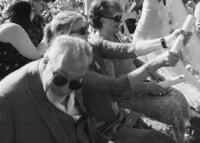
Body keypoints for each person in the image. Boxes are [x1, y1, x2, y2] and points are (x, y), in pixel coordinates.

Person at [41, 11, 188, 143]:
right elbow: (115, 87)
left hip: (116, 117)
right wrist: (155, 64)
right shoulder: (68, 67)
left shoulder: (91, 45)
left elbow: (129, 49)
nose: (87, 33)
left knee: (163, 138)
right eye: (81, 31)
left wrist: (166, 41)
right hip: (99, 131)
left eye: (86, 28)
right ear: (64, 36)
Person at [88, 0, 190, 143]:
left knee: (177, 95)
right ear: (103, 20)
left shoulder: (116, 34)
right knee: (171, 105)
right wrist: (148, 86)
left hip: (139, 84)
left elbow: (131, 56)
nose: (120, 21)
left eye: (121, 16)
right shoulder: (99, 46)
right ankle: (173, 137)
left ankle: (179, 135)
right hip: (127, 95)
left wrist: (154, 73)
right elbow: (116, 89)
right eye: (117, 18)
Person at [125, 0, 200, 112]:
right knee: (155, 46)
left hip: (149, 17)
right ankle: (148, 72)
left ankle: (141, 74)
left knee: (140, 44)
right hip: (156, 17)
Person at [0, 34, 110, 143]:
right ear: (46, 62)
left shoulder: (71, 72)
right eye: (59, 79)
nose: (65, 89)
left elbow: (85, 130)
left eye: (74, 84)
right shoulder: (6, 99)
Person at [0, 0, 41, 79]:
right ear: (26, 12)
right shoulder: (14, 28)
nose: (33, 14)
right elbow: (36, 56)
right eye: (32, 10)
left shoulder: (6, 26)